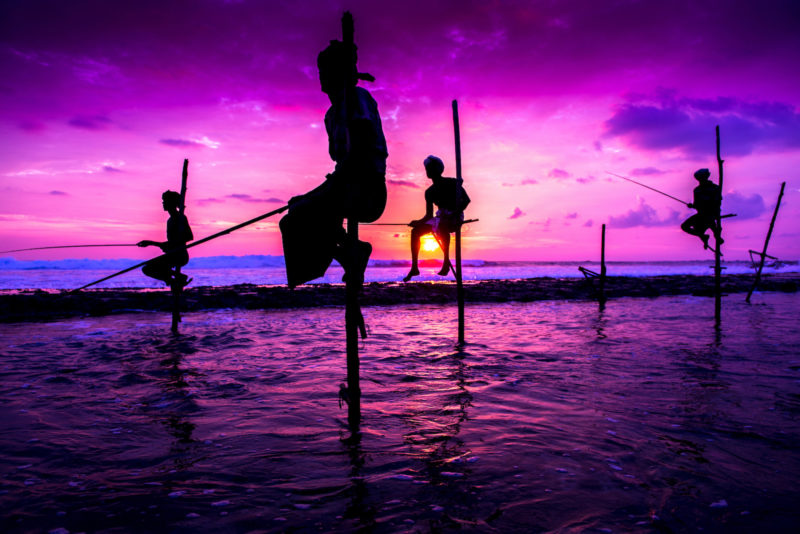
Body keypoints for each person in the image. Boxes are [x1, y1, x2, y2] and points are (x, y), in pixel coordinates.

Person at [279, 39, 387, 289]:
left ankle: (354, 253)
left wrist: (319, 193)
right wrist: (310, 195)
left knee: (297, 215)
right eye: (320, 72)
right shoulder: (331, 115)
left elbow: (359, 151)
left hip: (366, 188)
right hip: (343, 185)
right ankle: (351, 253)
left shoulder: (357, 98)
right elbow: (339, 168)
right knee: (295, 210)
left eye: (326, 71)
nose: (322, 78)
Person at [403, 155, 470, 282]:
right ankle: (414, 267)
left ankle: (446, 263)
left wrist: (454, 213)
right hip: (440, 217)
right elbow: (429, 215)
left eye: (431, 168)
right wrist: (417, 222)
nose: (428, 171)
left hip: (455, 216)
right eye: (427, 169)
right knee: (416, 231)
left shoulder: (452, 182)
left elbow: (466, 201)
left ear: (439, 169)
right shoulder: (429, 192)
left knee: (443, 225)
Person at [138, 190, 193, 288]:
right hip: (172, 254)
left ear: (171, 202)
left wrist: (164, 244)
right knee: (148, 266)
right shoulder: (170, 220)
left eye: (165, 201)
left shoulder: (180, 217)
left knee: (148, 268)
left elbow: (189, 236)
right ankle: (178, 278)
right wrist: (159, 244)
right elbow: (172, 242)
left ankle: (176, 279)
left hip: (180, 256)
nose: (163, 203)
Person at [680, 168, 722, 250]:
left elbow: (717, 202)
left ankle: (715, 236)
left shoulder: (715, 188)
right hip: (701, 214)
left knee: (710, 223)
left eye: (701, 178)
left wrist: (704, 205)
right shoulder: (697, 190)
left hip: (711, 214)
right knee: (684, 226)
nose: (700, 181)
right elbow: (696, 205)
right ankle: (703, 236)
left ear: (705, 177)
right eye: (699, 179)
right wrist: (692, 206)